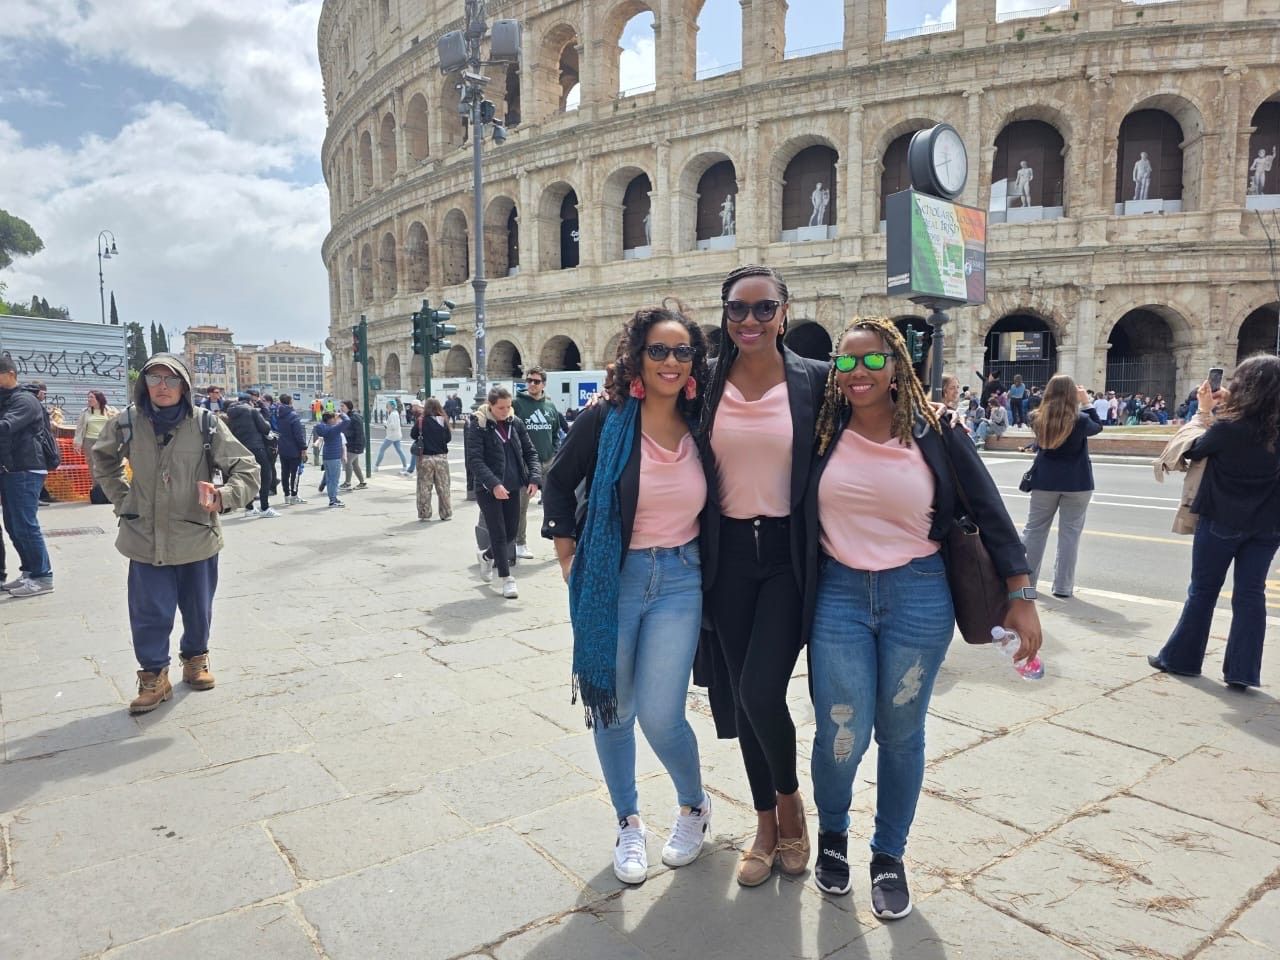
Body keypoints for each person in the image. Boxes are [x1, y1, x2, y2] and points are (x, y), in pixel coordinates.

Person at [804, 318, 1041, 916]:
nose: (859, 374)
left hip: (919, 593)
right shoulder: (821, 431)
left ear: (897, 367)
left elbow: (988, 507)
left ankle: (889, 855)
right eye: (847, 363)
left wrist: (1022, 593)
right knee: (841, 730)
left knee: (901, 732)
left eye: (873, 362)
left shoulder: (935, 430)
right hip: (838, 593)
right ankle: (833, 837)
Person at [542, 302, 717, 885]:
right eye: (659, 350)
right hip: (613, 578)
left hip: (680, 578)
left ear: (696, 362)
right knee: (612, 711)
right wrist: (568, 558)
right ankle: (629, 822)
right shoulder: (607, 417)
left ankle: (694, 806)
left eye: (682, 351)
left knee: (663, 714)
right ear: (637, 357)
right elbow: (558, 483)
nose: (671, 361)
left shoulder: (703, 420)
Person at [697, 265, 828, 887]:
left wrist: (936, 413)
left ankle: (791, 806)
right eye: (737, 309)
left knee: (757, 690)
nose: (749, 321)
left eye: (762, 308)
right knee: (743, 695)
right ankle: (765, 823)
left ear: (784, 310)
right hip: (725, 557)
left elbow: (878, 414)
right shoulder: (704, 381)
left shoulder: (816, 380)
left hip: (785, 555)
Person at [90, 353, 260, 713]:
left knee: (198, 608)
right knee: (149, 610)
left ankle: (195, 659)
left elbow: (247, 468)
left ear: (184, 386)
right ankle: (154, 676)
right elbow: (102, 459)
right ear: (144, 384)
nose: (162, 387)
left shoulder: (206, 424)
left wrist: (223, 496)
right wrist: (123, 498)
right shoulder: (127, 424)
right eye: (155, 379)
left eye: (171, 379)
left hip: (195, 534)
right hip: (144, 536)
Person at [1149, 357, 1280, 689]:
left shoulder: (1228, 429)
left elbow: (1194, 450)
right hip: (1268, 526)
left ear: (1244, 388)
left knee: (1203, 591)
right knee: (1251, 594)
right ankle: (1242, 672)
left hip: (1221, 519)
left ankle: (1181, 660)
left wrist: (1205, 411)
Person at [1019, 374, 1102, 599]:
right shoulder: (1081, 420)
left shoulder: (1036, 417)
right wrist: (1086, 402)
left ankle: (1027, 587)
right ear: (1071, 394)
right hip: (1077, 482)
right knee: (1070, 536)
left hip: (1045, 481)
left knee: (1034, 532)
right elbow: (1098, 427)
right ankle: (1063, 588)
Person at [464, 387, 540, 598]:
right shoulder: (478, 425)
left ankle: (487, 557)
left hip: (513, 485)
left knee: (511, 532)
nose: (505, 411)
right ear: (490, 405)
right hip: (488, 488)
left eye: (508, 406)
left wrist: (534, 477)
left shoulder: (515, 423)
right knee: (497, 531)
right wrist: (494, 484)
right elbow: (475, 460)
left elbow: (529, 451)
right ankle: (507, 579)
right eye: (500, 408)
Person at [0, 358, 55, 597]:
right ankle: (30, 572)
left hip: (26, 469)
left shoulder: (25, 400)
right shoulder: (7, 398)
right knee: (14, 525)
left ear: (10, 374)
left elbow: (5, 426)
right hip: (11, 469)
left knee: (25, 524)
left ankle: (43, 576)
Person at [513, 367, 568, 559]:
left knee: (553, 505)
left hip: (548, 462)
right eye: (529, 381)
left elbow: (555, 432)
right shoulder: (517, 404)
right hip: (526, 464)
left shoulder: (550, 406)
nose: (532, 384)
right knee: (521, 506)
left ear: (543, 384)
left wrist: (553, 452)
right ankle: (520, 543)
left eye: (536, 381)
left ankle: (557, 544)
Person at [226, 392, 278, 518]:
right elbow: (265, 428)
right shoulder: (252, 411)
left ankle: (249, 507)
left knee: (247, 477)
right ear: (250, 401)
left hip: (240, 448)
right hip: (256, 447)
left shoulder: (231, 413)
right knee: (266, 475)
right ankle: (264, 507)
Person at [411, 398, 453, 521]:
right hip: (441, 458)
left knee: (424, 487)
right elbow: (448, 438)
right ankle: (446, 513)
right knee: (444, 486)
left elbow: (413, 435)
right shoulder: (443, 421)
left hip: (425, 458)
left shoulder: (421, 421)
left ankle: (424, 514)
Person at [73, 390, 118, 482]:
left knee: (106, 465)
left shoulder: (110, 411)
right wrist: (77, 443)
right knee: (93, 466)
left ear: (99, 399)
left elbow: (118, 424)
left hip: (105, 441)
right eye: (88, 397)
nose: (89, 399)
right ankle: (97, 489)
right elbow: (79, 429)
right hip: (90, 442)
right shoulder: (85, 412)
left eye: (91, 397)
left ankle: (107, 488)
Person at [275, 395, 308, 505]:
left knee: (285, 472)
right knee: (295, 474)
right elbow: (298, 434)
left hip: (283, 447)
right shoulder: (293, 416)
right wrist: (303, 447)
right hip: (294, 449)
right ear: (290, 401)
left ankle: (286, 495)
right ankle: (294, 495)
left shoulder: (278, 414)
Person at [312, 411, 348, 508]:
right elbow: (347, 421)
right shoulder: (334, 429)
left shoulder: (324, 428)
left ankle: (333, 498)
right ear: (330, 419)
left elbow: (319, 425)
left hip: (327, 456)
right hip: (334, 457)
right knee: (334, 480)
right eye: (334, 418)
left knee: (329, 479)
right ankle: (333, 500)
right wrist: (340, 414)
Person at [340, 400, 367, 489]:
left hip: (355, 444)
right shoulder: (348, 416)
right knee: (355, 464)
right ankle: (362, 483)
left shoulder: (354, 417)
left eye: (343, 406)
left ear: (348, 407)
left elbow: (359, 433)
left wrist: (358, 446)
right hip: (351, 444)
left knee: (347, 462)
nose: (341, 408)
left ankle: (347, 483)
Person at [375, 401, 408, 473]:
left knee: (382, 450)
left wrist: (386, 424)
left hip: (391, 436)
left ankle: (376, 466)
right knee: (399, 450)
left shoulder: (393, 414)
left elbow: (393, 426)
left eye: (388, 406)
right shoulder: (395, 413)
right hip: (397, 435)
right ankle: (405, 467)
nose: (387, 407)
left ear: (391, 406)